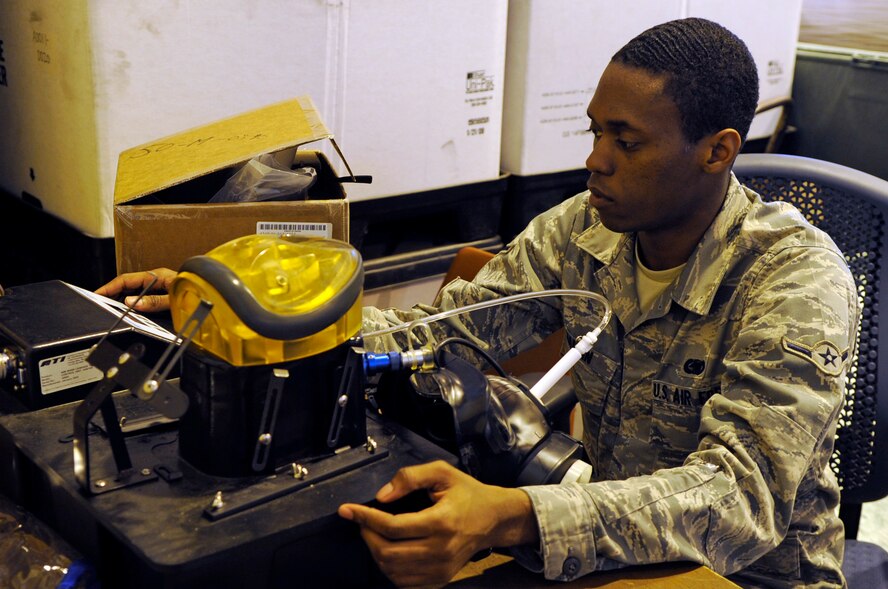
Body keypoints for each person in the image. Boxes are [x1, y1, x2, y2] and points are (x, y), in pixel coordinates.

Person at [98, 18, 857, 589]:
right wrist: (241, 314)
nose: (594, 161)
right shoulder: (587, 229)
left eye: (626, 141)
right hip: (604, 551)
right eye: (596, 132)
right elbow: (439, 332)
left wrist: (511, 512)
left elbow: (739, 498)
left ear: (718, 151)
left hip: (746, 577)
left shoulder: (793, 278)